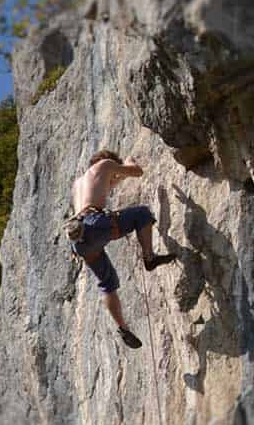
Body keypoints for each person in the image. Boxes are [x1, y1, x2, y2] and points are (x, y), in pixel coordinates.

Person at [71, 149, 177, 348]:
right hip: (95, 224)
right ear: (107, 161)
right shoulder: (105, 165)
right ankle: (149, 257)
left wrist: (118, 175)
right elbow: (137, 172)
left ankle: (123, 327)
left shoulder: (79, 183)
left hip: (78, 238)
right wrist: (129, 162)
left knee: (108, 284)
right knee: (142, 214)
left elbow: (109, 184)